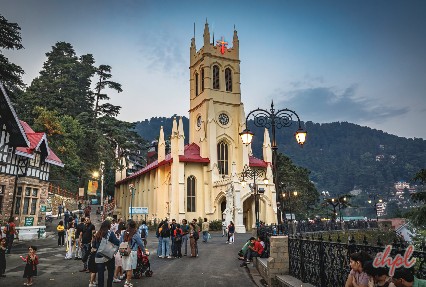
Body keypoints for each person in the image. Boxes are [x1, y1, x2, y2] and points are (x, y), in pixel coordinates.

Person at [92, 220, 120, 287]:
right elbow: (117, 242)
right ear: (109, 226)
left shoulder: (98, 233)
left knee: (100, 275)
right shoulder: (110, 233)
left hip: (98, 256)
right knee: (110, 273)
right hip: (108, 256)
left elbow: (94, 245)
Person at [120, 220, 145, 287]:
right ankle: (127, 282)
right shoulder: (135, 234)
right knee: (130, 269)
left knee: (127, 268)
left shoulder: (124, 233)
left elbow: (120, 242)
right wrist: (144, 251)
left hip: (124, 251)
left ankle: (127, 281)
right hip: (132, 252)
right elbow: (140, 244)